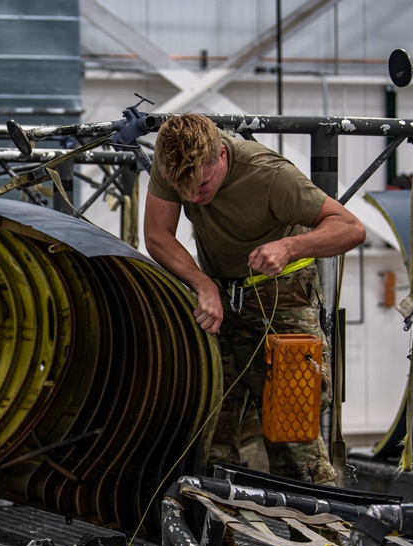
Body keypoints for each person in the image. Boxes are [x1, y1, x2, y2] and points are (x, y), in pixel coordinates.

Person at [144, 113, 365, 485]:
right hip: (218, 299)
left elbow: (350, 228)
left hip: (284, 299)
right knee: (206, 436)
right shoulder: (173, 162)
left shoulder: (269, 174)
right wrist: (203, 284)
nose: (194, 198)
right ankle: (209, 543)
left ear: (220, 157)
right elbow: (157, 235)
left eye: (202, 186)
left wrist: (290, 246)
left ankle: (323, 541)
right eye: (184, 191)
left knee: (293, 438)